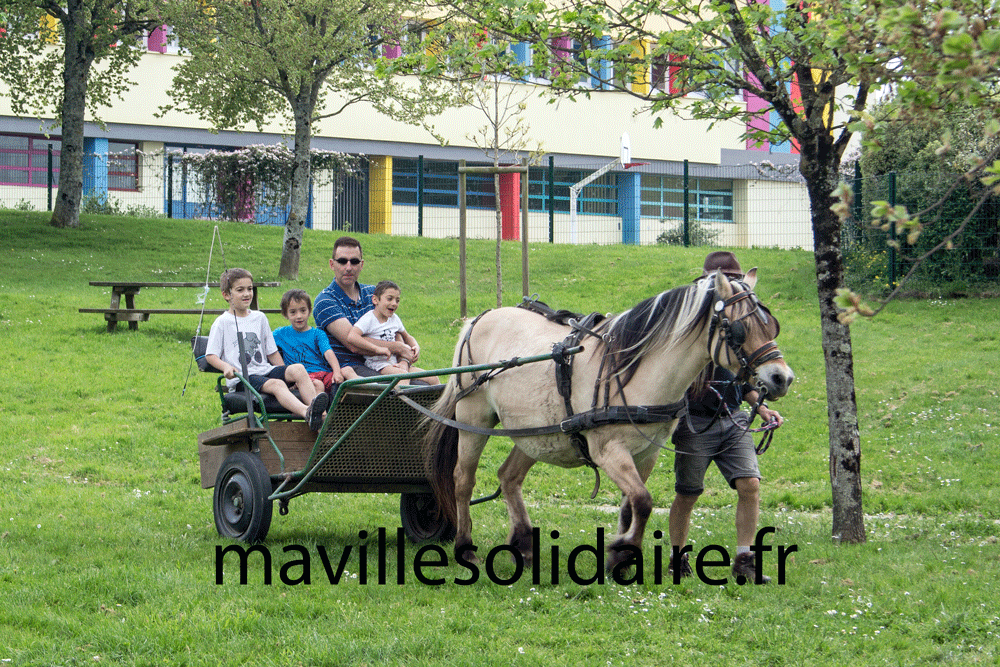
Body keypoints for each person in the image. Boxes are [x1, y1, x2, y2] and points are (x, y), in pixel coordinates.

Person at [668, 251, 784, 584]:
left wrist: (761, 407)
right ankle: (678, 559)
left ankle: (744, 559)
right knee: (688, 494)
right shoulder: (695, 328)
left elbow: (744, 380)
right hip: (696, 424)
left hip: (732, 419)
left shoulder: (738, 328)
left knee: (750, 485)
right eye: (726, 281)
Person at [205, 268, 329, 431]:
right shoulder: (222, 322)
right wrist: (226, 367)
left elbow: (272, 352)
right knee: (277, 384)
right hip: (243, 377)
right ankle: (308, 412)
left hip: (264, 370)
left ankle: (323, 418)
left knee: (298, 369)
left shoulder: (259, 318)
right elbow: (211, 355)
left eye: (249, 289)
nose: (247, 294)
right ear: (227, 295)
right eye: (240, 290)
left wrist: (287, 375)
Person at [313, 236, 417, 378]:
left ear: (361, 265)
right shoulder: (325, 301)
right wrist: (399, 348)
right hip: (350, 369)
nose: (348, 268)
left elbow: (393, 328)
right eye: (342, 261)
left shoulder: (373, 293)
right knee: (410, 387)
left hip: (386, 362)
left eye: (354, 262)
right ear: (332, 264)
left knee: (430, 383)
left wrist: (406, 356)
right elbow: (354, 345)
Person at [347, 280, 440, 386]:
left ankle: (441, 402)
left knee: (433, 378)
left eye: (397, 300)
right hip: (379, 364)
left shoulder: (394, 319)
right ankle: (401, 402)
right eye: (389, 299)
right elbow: (352, 336)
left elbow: (407, 336)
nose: (394, 303)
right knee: (403, 377)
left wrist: (415, 346)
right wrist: (376, 349)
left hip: (395, 363)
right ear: (375, 300)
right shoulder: (369, 318)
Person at [273, 288, 355, 394]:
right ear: (285, 314)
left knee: (347, 370)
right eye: (293, 312)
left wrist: (337, 371)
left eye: (303, 311)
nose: (299, 316)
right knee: (318, 385)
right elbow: (264, 340)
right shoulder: (280, 334)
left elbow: (328, 352)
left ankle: (369, 392)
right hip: (303, 378)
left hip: (324, 373)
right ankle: (320, 411)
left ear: (309, 311)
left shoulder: (318, 334)